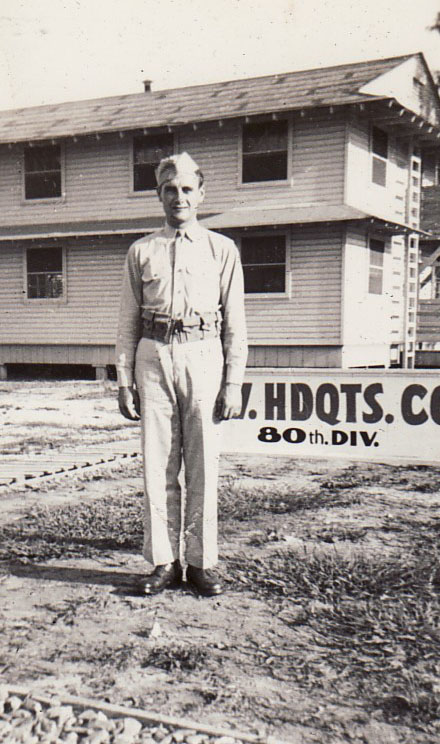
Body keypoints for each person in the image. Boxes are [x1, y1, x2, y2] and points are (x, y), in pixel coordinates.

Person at [115, 152, 248, 597]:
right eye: (170, 189)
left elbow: (236, 322)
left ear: (201, 194)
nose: (179, 198)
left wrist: (233, 382)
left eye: (187, 189)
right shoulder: (141, 251)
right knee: (158, 465)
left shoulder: (221, 249)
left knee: (203, 464)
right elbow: (127, 321)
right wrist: (124, 380)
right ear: (159, 195)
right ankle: (163, 561)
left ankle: (200, 562)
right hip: (153, 355)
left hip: (204, 353)